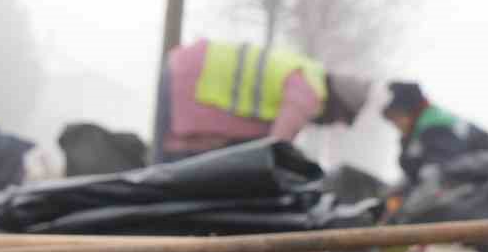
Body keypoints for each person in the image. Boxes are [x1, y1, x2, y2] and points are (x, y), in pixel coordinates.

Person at [152, 39, 370, 162]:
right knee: (164, 176)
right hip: (190, 81)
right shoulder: (308, 94)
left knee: (167, 172)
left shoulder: (307, 73)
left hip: (189, 72)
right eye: (339, 119)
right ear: (338, 106)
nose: (330, 124)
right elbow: (276, 148)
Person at [381, 81, 488, 185]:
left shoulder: (433, 127)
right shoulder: (430, 122)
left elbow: (444, 170)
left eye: (397, 117)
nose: (396, 124)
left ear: (409, 111)